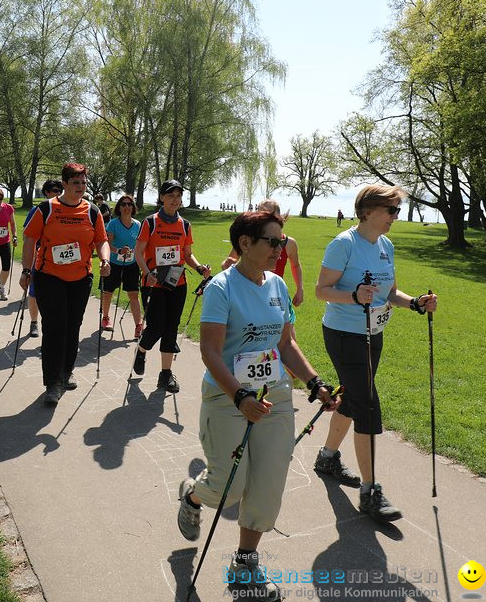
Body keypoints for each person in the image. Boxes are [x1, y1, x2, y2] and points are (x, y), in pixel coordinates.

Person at [176, 210, 341, 601]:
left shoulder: (278, 286)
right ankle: (192, 496)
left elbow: (285, 345)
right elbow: (211, 352)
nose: (279, 248)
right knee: (228, 487)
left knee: (268, 485)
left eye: (282, 241)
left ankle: (244, 562)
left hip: (275, 397)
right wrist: (239, 396)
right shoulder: (221, 288)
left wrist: (316, 383)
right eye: (272, 241)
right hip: (227, 396)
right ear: (245, 244)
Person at [313, 184, 437, 522]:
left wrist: (415, 303)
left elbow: (389, 293)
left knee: (353, 399)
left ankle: (327, 457)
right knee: (367, 405)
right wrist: (353, 296)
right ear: (368, 211)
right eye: (391, 211)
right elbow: (321, 291)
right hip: (344, 333)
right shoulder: (344, 244)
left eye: (398, 210)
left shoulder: (385, 246)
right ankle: (370, 491)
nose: (396, 217)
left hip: (373, 333)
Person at [20, 163, 110, 405]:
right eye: (76, 183)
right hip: (49, 276)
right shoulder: (47, 209)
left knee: (73, 327)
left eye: (83, 183)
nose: (81, 187)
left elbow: (102, 240)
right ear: (65, 184)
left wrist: (105, 259)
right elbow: (30, 240)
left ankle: (66, 372)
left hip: (80, 278)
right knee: (55, 327)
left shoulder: (92, 211)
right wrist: (26, 270)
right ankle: (52, 382)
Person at [132, 179, 212, 394]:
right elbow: (138, 253)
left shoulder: (185, 224)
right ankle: (141, 350)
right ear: (162, 198)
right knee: (156, 327)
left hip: (177, 282)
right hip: (154, 282)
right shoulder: (150, 222)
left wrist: (199, 268)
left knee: (170, 328)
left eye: (178, 196)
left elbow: (186, 254)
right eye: (170, 196)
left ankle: (165, 374)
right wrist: (147, 274)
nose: (175, 200)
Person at [221, 199, 304, 310]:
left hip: (275, 294)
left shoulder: (290, 243)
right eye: (260, 214)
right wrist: (227, 264)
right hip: (250, 292)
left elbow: (296, 266)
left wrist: (300, 289)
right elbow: (229, 263)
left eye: (268, 215)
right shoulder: (249, 241)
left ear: (279, 217)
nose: (263, 219)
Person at [23, 179, 63, 338]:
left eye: (60, 190)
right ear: (47, 192)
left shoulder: (66, 211)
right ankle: (34, 322)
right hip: (39, 258)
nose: (57, 193)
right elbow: (28, 236)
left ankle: (54, 326)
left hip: (60, 259)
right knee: (34, 292)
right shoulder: (38, 210)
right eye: (54, 190)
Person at [101, 193, 143, 335]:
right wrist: (118, 250)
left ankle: (138, 326)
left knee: (133, 294)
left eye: (129, 204)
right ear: (119, 207)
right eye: (123, 204)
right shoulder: (113, 224)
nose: (126, 207)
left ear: (133, 207)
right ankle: (105, 318)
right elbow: (107, 244)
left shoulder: (137, 225)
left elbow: (141, 245)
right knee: (108, 293)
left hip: (132, 264)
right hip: (114, 263)